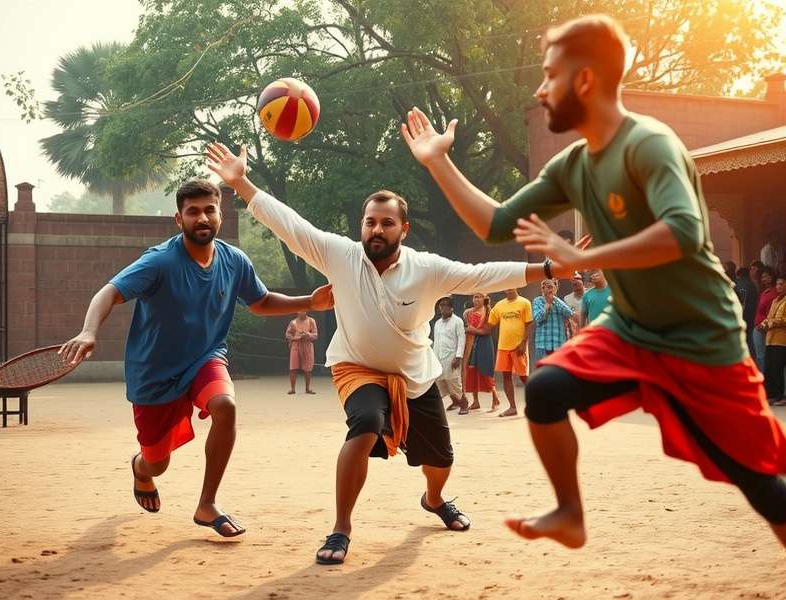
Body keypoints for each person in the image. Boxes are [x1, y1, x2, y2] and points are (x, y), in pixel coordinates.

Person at [401, 14, 786, 548]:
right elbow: (494, 224)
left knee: (764, 486)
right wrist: (438, 164)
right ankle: (569, 512)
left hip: (702, 340)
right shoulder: (573, 164)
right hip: (632, 330)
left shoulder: (649, 144)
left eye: (549, 75)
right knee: (546, 388)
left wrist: (583, 258)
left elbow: (681, 230)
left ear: (584, 81)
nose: (539, 90)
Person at [206, 143, 562, 565]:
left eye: (387, 223)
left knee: (441, 459)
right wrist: (241, 183)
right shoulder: (340, 255)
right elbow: (292, 226)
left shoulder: (426, 268)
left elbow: (481, 275)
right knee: (366, 424)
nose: (376, 230)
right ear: (361, 226)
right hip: (357, 368)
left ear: (403, 229)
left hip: (415, 374)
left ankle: (434, 499)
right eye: (370, 222)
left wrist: (551, 268)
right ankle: (340, 529)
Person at [59, 179, 334, 537]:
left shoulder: (234, 260)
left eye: (209, 209)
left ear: (220, 215)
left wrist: (309, 302)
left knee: (226, 406)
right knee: (157, 463)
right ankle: (141, 470)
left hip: (205, 358)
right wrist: (89, 330)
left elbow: (260, 301)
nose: (202, 217)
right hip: (154, 375)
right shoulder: (159, 261)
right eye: (193, 211)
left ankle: (207, 504)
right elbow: (109, 292)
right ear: (179, 219)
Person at [480, 289, 533, 418]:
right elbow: (489, 325)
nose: (508, 287)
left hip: (518, 346)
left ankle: (537, 404)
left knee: (524, 377)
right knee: (506, 376)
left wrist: (523, 343)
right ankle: (512, 407)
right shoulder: (499, 305)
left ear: (517, 286)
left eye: (511, 285)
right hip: (503, 346)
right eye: (506, 285)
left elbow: (529, 324)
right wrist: (486, 307)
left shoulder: (524, 302)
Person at [463, 293, 500, 411]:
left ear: (484, 299)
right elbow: (465, 327)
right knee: (471, 370)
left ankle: (495, 399)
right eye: (474, 297)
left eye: (479, 296)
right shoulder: (467, 313)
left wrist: (472, 330)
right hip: (471, 343)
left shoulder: (489, 312)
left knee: (485, 371)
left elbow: (487, 331)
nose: (476, 299)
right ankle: (475, 401)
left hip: (484, 343)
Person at [433, 297, 467, 414]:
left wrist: (458, 357)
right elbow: (436, 342)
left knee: (454, 383)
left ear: (451, 308)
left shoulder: (457, 321)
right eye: (441, 305)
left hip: (452, 357)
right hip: (438, 358)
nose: (443, 308)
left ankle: (464, 405)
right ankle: (455, 402)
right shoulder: (437, 323)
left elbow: (462, 340)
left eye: (446, 305)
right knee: (441, 383)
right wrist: (433, 359)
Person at [532, 279, 573, 361]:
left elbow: (569, 313)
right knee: (543, 372)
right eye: (543, 287)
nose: (546, 289)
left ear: (556, 288)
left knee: (557, 371)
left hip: (558, 343)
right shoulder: (538, 301)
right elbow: (538, 318)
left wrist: (553, 299)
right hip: (542, 344)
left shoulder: (560, 302)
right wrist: (547, 305)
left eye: (550, 287)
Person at [762, 276, 786, 406]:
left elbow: (781, 319)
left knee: (777, 368)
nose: (778, 287)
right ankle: (771, 395)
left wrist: (774, 323)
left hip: (781, 340)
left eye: (781, 284)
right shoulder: (776, 300)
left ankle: (780, 396)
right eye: (777, 284)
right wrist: (764, 323)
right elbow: (769, 316)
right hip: (770, 339)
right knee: (770, 368)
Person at [286, 311, 318, 394]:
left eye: (303, 309)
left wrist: (307, 334)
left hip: (307, 345)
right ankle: (292, 389)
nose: (301, 312)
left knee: (308, 367)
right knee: (293, 367)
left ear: (306, 311)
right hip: (296, 345)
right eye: (299, 310)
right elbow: (287, 334)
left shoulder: (311, 321)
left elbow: (315, 335)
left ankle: (307, 388)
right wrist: (294, 338)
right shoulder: (293, 322)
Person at [753, 266, 777, 371]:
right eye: (762, 277)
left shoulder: (775, 292)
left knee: (762, 356)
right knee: (760, 355)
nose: (764, 279)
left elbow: (772, 313)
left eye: (766, 276)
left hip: (764, 327)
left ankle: (764, 380)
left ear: (772, 277)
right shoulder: (764, 292)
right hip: (759, 326)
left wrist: (763, 325)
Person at [735, 267, 759, 359]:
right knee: (750, 339)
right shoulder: (752, 284)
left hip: (741, 316)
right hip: (752, 315)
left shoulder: (736, 284)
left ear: (738, 274)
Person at [563, 273, 585, 337]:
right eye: (572, 280)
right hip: (575, 334)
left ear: (582, 281)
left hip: (590, 330)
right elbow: (566, 319)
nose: (575, 281)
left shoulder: (590, 295)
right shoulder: (567, 298)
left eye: (577, 279)